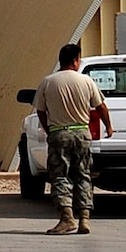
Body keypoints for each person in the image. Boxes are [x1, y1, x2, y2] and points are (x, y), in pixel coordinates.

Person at [33, 42, 111, 235]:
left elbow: (41, 111)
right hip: (82, 133)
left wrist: (49, 129)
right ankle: (85, 218)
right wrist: (108, 126)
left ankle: (67, 218)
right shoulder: (86, 81)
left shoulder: (48, 82)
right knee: (83, 175)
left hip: (59, 132)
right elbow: (100, 107)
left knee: (60, 176)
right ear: (76, 61)